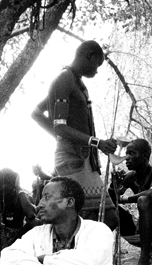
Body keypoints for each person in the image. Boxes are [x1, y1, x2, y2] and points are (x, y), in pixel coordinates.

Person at [32, 41, 118, 227]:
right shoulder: (64, 79)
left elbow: (37, 114)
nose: (96, 71)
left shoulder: (73, 81)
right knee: (93, 219)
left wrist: (66, 137)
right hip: (73, 161)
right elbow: (60, 127)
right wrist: (96, 143)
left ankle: (75, 245)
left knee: (105, 218)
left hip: (82, 159)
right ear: (90, 55)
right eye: (97, 65)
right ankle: (65, 245)